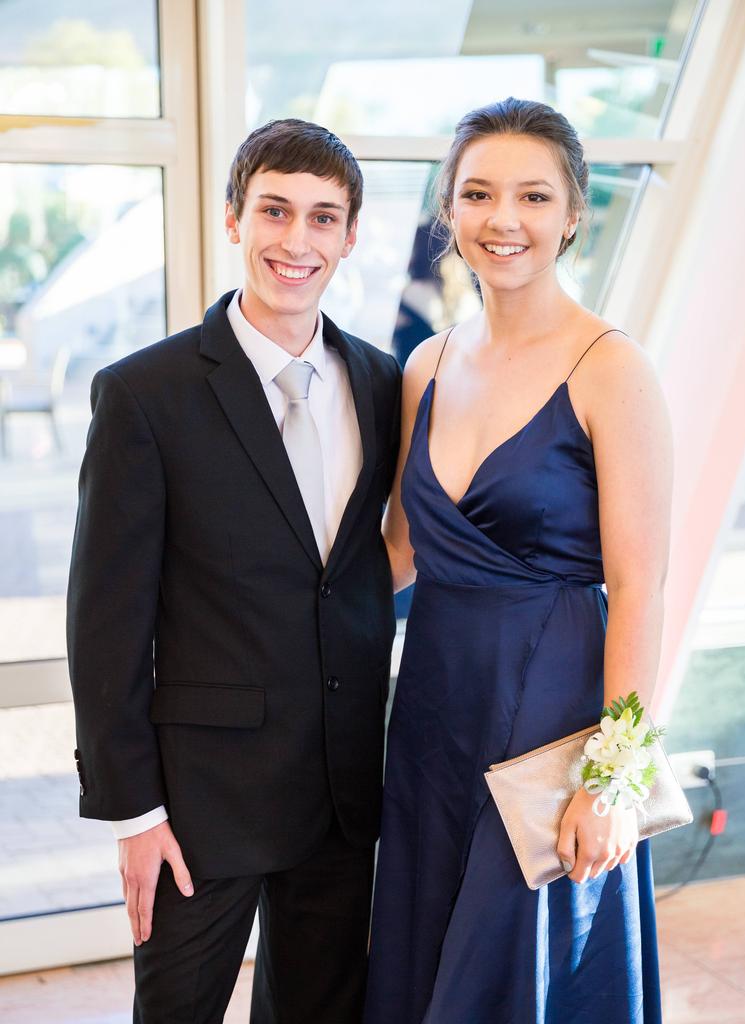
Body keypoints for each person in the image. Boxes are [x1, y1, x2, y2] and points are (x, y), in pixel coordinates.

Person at [67, 118, 401, 1024]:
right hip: (198, 809)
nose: (298, 241)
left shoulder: (384, 382)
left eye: (323, 218)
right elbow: (105, 622)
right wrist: (134, 814)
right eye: (275, 211)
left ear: (350, 234)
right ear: (233, 219)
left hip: (339, 796)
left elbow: (367, 569)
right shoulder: (145, 394)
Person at [364, 96, 672, 1024]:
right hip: (432, 713)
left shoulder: (614, 369)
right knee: (426, 951)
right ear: (448, 211)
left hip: (552, 719)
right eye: (480, 194)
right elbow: (400, 555)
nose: (505, 219)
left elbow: (645, 588)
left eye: (534, 197)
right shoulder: (424, 365)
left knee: (513, 972)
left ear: (573, 215)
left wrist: (612, 781)